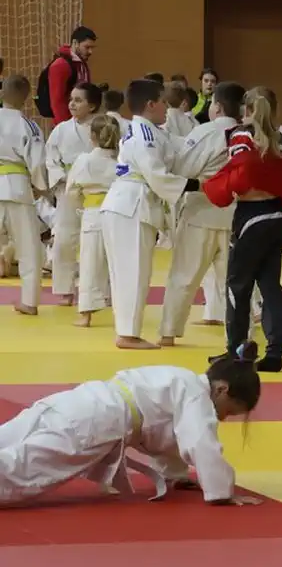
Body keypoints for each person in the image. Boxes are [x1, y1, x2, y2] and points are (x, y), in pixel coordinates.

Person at [0, 349, 264, 506]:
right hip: (97, 423)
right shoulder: (196, 395)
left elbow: (169, 438)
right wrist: (221, 492)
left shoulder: (178, 377)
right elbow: (200, 441)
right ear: (222, 389)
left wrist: (177, 475)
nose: (222, 418)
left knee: (7, 441)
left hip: (74, 402)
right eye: (228, 410)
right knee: (23, 470)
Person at [202, 86, 282, 373]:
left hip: (251, 217)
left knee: (238, 286)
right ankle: (275, 351)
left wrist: (219, 185)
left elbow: (241, 175)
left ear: (246, 109)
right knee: (270, 286)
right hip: (276, 216)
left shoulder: (243, 136)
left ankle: (235, 351)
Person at [101, 79, 191, 349]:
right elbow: (156, 174)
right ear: (151, 104)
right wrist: (194, 185)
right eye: (163, 102)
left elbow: (179, 146)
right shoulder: (144, 133)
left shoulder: (148, 129)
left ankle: (126, 330)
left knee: (128, 272)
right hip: (131, 203)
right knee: (133, 271)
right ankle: (127, 334)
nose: (167, 107)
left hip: (125, 204)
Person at [159, 82, 245, 347]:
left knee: (184, 275)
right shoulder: (250, 133)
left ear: (216, 106)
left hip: (202, 210)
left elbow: (184, 167)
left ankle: (169, 332)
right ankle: (243, 336)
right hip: (238, 214)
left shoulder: (207, 131)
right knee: (238, 280)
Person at [45, 82, 102, 307]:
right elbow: (50, 158)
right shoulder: (61, 130)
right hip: (67, 188)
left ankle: (98, 291)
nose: (72, 104)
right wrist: (60, 177)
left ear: (93, 105)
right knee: (63, 241)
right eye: (71, 99)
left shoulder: (103, 127)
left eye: (78, 100)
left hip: (95, 190)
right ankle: (65, 288)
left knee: (97, 242)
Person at [65, 116, 121, 328]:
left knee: (90, 263)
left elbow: (71, 190)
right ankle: (122, 311)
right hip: (118, 213)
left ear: (93, 137)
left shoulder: (84, 160)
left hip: (93, 213)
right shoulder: (121, 162)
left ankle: (86, 314)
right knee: (118, 264)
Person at [0, 75, 48, 315]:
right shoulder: (28, 125)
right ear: (27, 97)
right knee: (29, 248)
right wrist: (41, 186)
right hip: (18, 187)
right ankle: (29, 301)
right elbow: (38, 162)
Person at [37, 26, 95, 126]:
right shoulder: (61, 65)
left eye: (92, 48)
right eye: (87, 47)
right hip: (67, 126)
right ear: (75, 43)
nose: (90, 52)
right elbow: (57, 101)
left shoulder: (82, 64)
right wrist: (64, 128)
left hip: (80, 123)